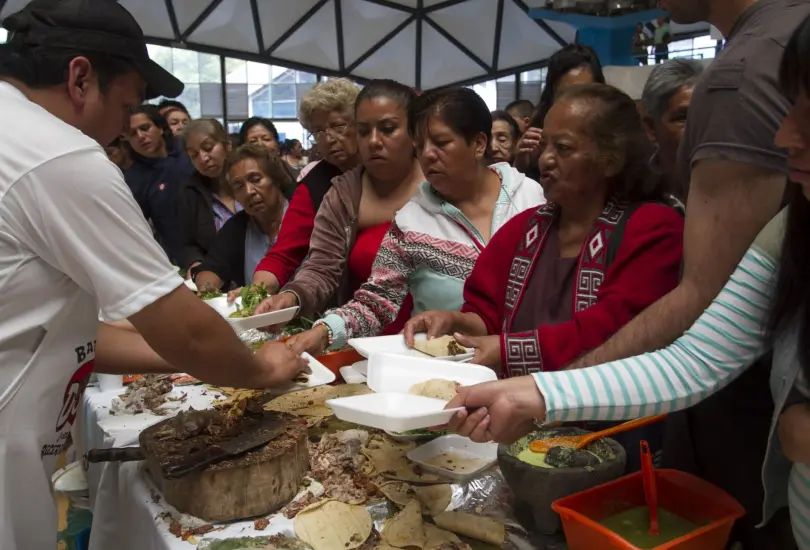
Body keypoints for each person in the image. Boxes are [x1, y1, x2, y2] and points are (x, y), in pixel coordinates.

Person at [451, 0, 810, 546]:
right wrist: (535, 396)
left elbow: (616, 326)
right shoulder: (788, 231)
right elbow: (696, 360)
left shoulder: (650, 227)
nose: (784, 137)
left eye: (808, 111)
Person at [0, 1, 306, 548]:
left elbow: (67, 331)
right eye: (126, 104)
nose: (125, 125)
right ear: (80, 78)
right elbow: (183, 327)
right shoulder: (57, 155)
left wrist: (197, 357)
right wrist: (259, 369)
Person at [406, 84, 683, 376]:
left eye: (562, 148)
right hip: (517, 412)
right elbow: (487, 315)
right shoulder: (523, 230)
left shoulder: (653, 230)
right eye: (544, 146)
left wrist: (504, 349)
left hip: (611, 418)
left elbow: (612, 331)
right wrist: (455, 322)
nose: (545, 160)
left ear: (611, 159)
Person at [285, 87, 546, 357]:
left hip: (536, 368)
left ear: (479, 144)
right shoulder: (411, 222)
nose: (428, 155)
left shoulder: (531, 198)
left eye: (441, 143)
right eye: (419, 146)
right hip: (448, 375)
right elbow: (377, 300)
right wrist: (325, 332)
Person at [253, 80, 424, 330]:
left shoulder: (442, 180)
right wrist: (291, 297)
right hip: (367, 339)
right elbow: (321, 266)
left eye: (387, 128)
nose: (374, 141)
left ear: (414, 132)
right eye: (365, 131)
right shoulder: (338, 194)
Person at [251, 78, 360, 294]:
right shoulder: (314, 184)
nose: (329, 138)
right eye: (318, 131)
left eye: (338, 126)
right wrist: (255, 293)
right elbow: (283, 254)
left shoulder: (388, 170)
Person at [193, 145, 291, 291]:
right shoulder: (236, 227)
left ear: (275, 179)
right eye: (239, 186)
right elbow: (212, 267)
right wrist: (207, 286)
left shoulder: (305, 214)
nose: (249, 192)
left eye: (256, 180)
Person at [514, 45, 605, 179]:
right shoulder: (537, 140)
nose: (574, 104)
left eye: (584, 93)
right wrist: (520, 167)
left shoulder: (614, 136)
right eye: (565, 95)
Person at [124, 104, 194, 263]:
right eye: (132, 134)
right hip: (181, 258)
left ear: (161, 127)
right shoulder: (134, 180)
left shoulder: (187, 150)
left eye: (145, 128)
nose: (141, 136)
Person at [178, 118, 241, 271]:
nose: (203, 159)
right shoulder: (190, 192)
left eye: (208, 148)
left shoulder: (252, 177)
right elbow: (188, 244)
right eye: (194, 155)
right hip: (221, 281)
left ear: (227, 145)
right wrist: (196, 264)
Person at [641, 59, 704, 201]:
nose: (700, 130)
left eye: (706, 116)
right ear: (651, 127)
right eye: (683, 118)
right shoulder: (635, 196)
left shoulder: (733, 188)